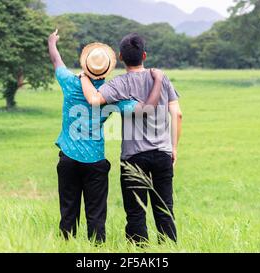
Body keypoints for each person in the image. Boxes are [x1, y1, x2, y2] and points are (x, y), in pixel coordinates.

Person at [47, 29, 165, 243]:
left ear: (85, 65)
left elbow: (56, 61)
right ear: (109, 67)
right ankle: (97, 250)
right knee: (96, 214)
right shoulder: (111, 93)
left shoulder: (69, 82)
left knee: (68, 211)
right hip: (95, 161)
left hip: (68, 157)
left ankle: (66, 245)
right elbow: (147, 110)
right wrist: (157, 80)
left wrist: (52, 42)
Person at [80, 33, 183, 244]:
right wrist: (173, 148)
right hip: (162, 153)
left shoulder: (118, 83)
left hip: (133, 157)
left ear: (120, 57)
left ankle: (138, 253)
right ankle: (168, 250)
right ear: (144, 55)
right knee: (165, 208)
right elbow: (178, 114)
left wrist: (83, 76)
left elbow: (95, 99)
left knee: (135, 212)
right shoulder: (160, 78)